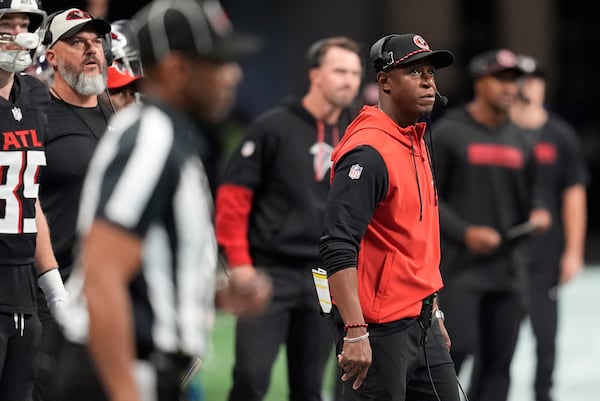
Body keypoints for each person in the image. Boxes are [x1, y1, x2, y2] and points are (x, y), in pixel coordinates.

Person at [52, 0, 269, 400]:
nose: (233, 75)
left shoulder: (174, 136)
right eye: (218, 62)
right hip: (122, 370)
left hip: (148, 368)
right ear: (175, 68)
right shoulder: (152, 139)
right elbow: (102, 278)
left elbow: (142, 275)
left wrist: (213, 296)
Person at [215, 36, 362, 401]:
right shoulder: (273, 127)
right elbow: (233, 200)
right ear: (315, 74)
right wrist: (239, 263)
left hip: (324, 277)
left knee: (310, 385)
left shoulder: (359, 133)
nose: (349, 81)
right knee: (250, 378)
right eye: (340, 71)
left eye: (356, 73)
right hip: (268, 272)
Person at [319, 33, 459, 401]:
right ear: (384, 81)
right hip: (378, 332)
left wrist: (435, 310)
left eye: (430, 72)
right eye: (414, 72)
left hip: (422, 321)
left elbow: (416, 240)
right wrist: (354, 330)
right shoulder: (368, 151)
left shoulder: (414, 138)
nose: (429, 80)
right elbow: (338, 244)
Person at [432, 49, 552, 401]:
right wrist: (464, 232)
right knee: (456, 349)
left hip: (508, 271)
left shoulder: (523, 139)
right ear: (479, 82)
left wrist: (540, 213)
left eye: (514, 80)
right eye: (500, 79)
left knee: (499, 363)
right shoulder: (450, 132)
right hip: (460, 270)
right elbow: (428, 197)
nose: (509, 87)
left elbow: (534, 196)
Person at [34, 8, 113, 400]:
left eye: (96, 41)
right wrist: (54, 290)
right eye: (77, 42)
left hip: (110, 296)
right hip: (56, 297)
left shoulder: (113, 113)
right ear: (50, 55)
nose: (91, 50)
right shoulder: (36, 118)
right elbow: (24, 202)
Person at [510, 55, 589, 401]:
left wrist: (573, 250)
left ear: (543, 86)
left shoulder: (560, 136)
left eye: (533, 79)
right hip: (503, 253)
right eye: (520, 79)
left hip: (545, 253)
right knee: (496, 333)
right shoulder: (496, 132)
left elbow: (574, 195)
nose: (527, 86)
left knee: (545, 333)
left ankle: (544, 394)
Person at [0, 1, 68, 399]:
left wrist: (54, 289)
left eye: (24, 24)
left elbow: (31, 196)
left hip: (24, 288)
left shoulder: (37, 98)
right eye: (7, 24)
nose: (19, 32)